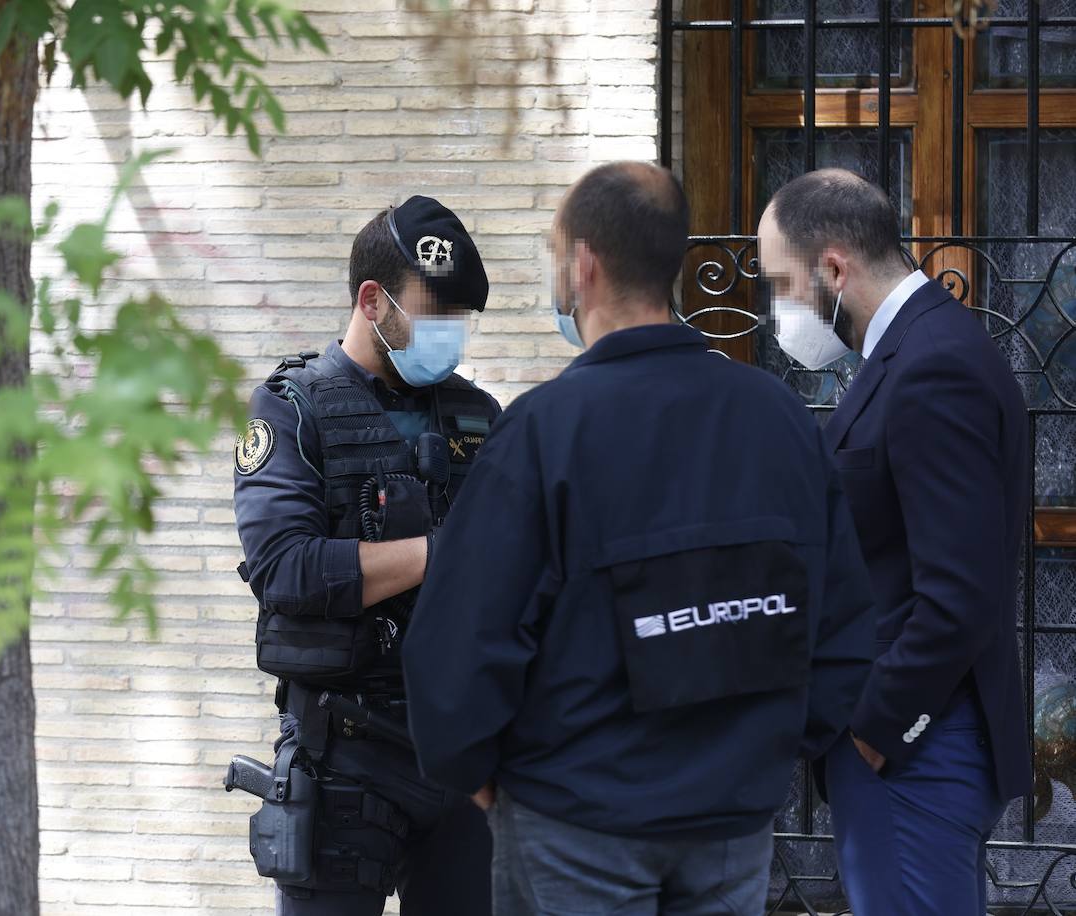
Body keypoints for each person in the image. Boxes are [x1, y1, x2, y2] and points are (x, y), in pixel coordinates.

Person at [401, 162, 876, 916]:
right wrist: (768, 753)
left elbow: (460, 640)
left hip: (577, 824)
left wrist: (477, 769)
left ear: (582, 264)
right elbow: (845, 621)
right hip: (730, 822)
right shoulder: (779, 419)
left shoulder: (544, 432)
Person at [757, 169, 1031, 916]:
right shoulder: (912, 351)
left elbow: (960, 594)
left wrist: (877, 732)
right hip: (912, 749)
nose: (779, 310)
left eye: (783, 285)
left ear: (834, 269)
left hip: (918, 749)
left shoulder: (932, 364)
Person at [229, 196, 501, 916]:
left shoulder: (479, 417)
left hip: (460, 754)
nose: (448, 332)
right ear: (372, 300)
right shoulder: (292, 410)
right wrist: (440, 554)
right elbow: (285, 569)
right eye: (432, 311)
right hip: (345, 751)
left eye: (457, 317)